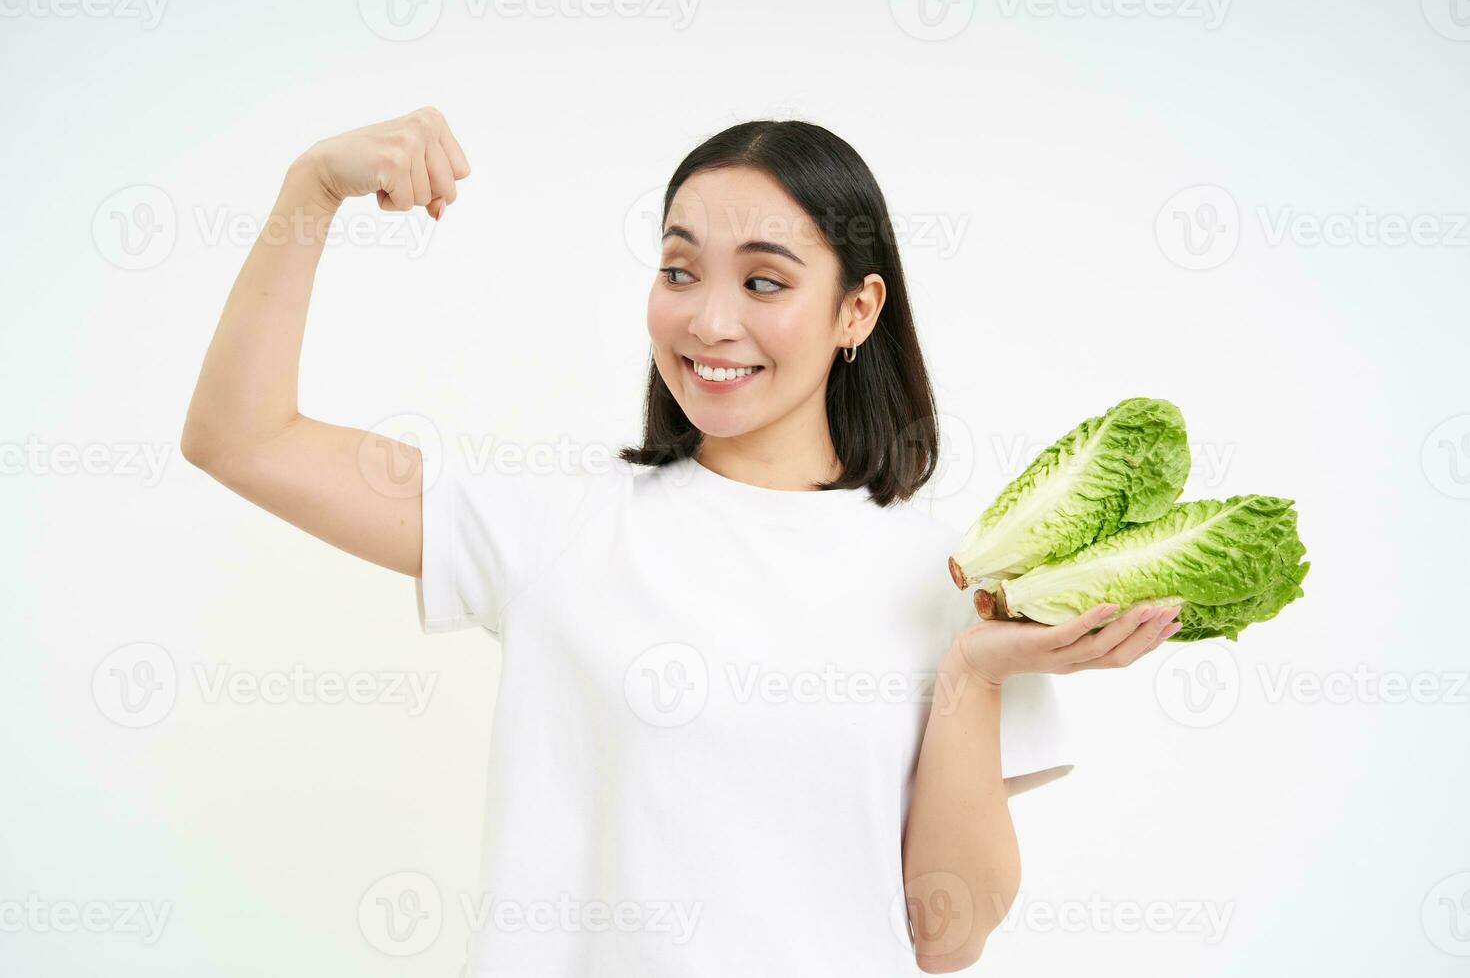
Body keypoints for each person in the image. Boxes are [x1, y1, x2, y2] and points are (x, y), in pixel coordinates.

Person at [181, 107, 1181, 976]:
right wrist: (310, 186)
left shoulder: (955, 577)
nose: (707, 319)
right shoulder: (558, 523)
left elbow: (946, 936)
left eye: (763, 282)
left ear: (857, 309)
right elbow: (243, 437)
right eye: (678, 268)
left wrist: (973, 670)